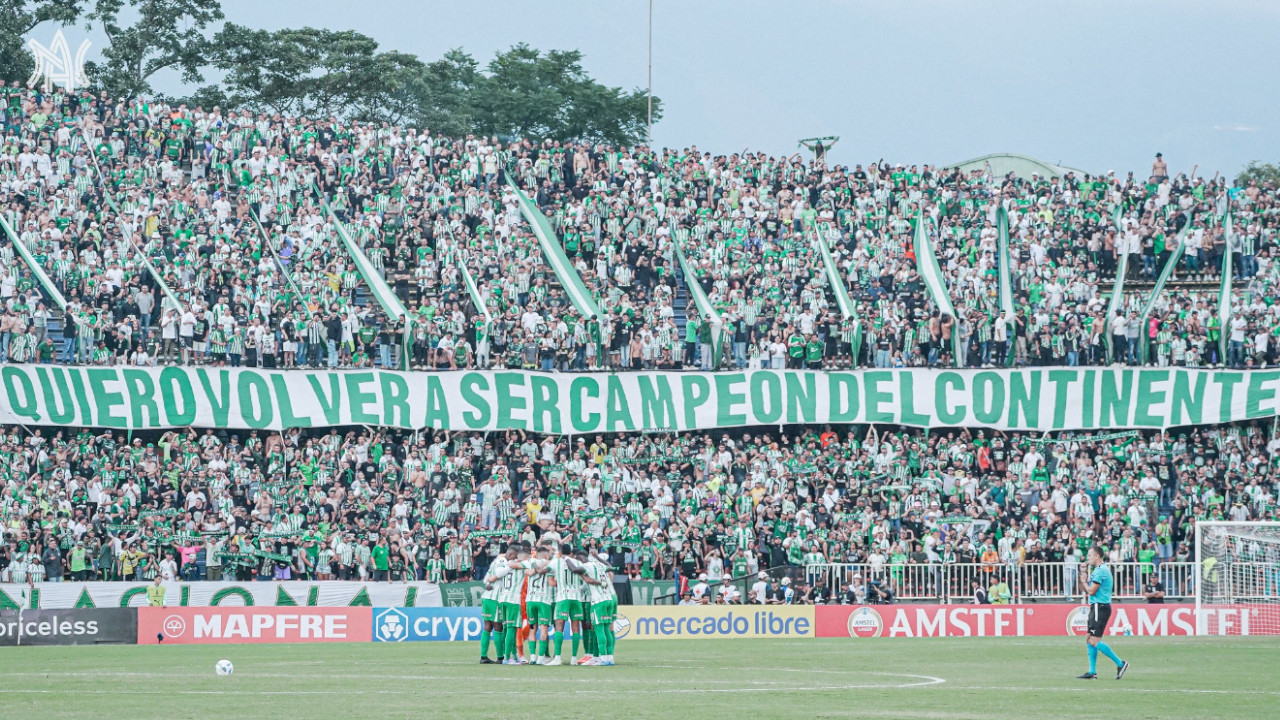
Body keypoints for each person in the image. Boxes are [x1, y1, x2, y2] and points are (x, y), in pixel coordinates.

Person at [1077, 545, 1130, 680]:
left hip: (1099, 608)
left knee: (1094, 641)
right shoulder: (1099, 570)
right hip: (1097, 606)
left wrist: (1083, 580)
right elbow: (1089, 590)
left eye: (1089, 555)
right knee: (1089, 639)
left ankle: (1120, 663)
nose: (1088, 558)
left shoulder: (1101, 571)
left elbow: (1091, 591)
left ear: (1097, 556)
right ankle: (1092, 672)